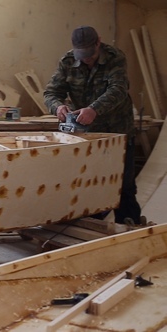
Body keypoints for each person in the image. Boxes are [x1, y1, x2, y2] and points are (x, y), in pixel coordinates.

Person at [43, 25, 142, 225]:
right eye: (82, 55)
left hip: (118, 130)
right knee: (89, 182)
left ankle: (129, 224)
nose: (86, 59)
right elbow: (51, 93)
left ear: (98, 42)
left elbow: (118, 89)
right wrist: (58, 107)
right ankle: (91, 227)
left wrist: (94, 109)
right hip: (87, 134)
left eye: (90, 54)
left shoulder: (115, 57)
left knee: (124, 184)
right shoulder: (68, 61)